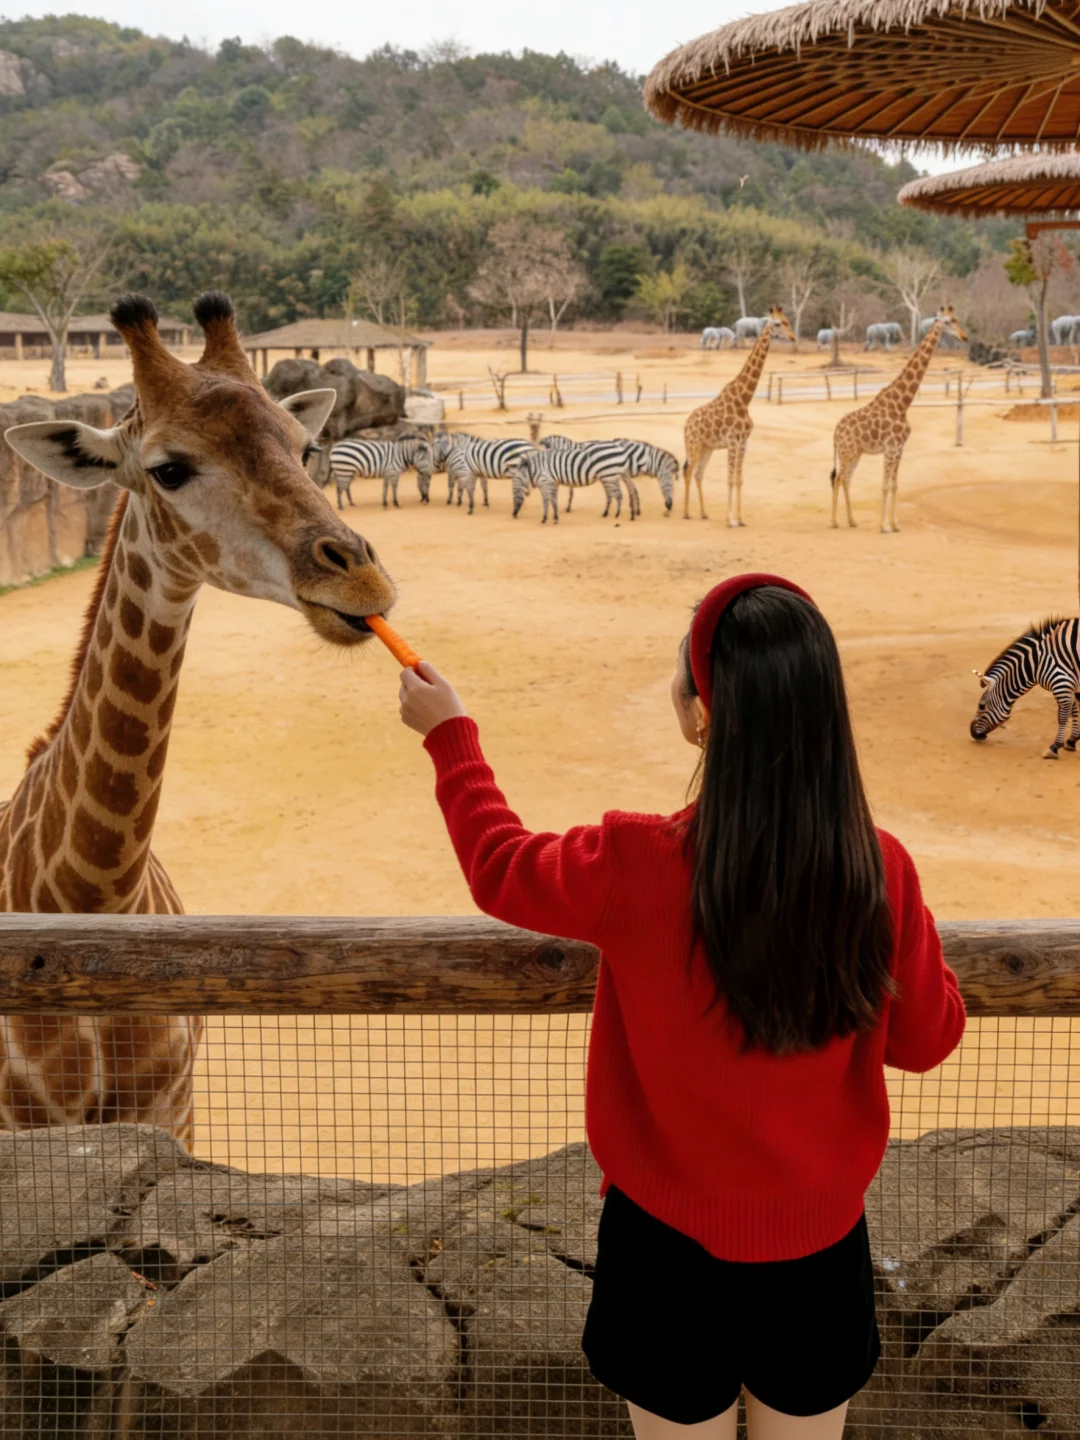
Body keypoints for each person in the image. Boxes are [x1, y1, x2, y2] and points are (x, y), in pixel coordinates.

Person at [397, 572, 965, 1440]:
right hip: (818, 1253)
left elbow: (498, 863)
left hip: (662, 1251)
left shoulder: (633, 863)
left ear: (702, 713)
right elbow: (927, 1039)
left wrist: (451, 737)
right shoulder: (880, 868)